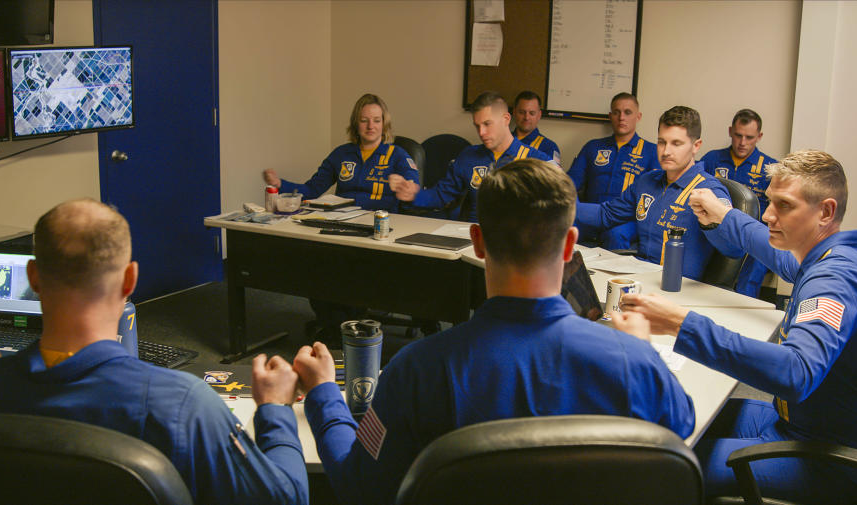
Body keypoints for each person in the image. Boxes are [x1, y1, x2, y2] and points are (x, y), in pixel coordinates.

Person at [295, 158, 695, 504]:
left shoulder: (414, 370)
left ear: (478, 241)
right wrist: (638, 351)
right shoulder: (633, 361)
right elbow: (679, 430)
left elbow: (361, 489)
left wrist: (323, 393)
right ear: (571, 244)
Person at [0, 199, 308, 505]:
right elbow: (284, 499)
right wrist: (275, 408)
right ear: (130, 281)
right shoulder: (184, 406)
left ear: (33, 277)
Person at [620, 150, 857, 503]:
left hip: (824, 459)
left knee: (666, 467)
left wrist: (682, 324)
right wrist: (726, 216)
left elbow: (796, 372)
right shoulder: (832, 255)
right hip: (792, 423)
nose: (767, 215)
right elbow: (770, 248)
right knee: (686, 416)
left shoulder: (836, 279)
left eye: (784, 205)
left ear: (825, 211)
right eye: (769, 202)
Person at [575, 105, 731, 280]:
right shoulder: (647, 181)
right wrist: (560, 206)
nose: (666, 151)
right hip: (641, 278)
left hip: (680, 291)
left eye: (676, 144)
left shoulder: (710, 191)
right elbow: (606, 214)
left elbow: (733, 249)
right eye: (661, 142)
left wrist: (712, 223)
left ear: (696, 146)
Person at [388, 91, 554, 222]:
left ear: (505, 119)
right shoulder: (469, 156)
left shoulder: (538, 161)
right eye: (477, 126)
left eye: (487, 124)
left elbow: (563, 205)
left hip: (515, 245)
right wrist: (414, 194)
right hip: (472, 240)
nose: (481, 132)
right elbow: (441, 195)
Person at [263, 93, 419, 212]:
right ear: (356, 124)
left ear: (384, 124)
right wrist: (280, 184)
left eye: (377, 120)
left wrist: (408, 187)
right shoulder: (341, 154)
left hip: (381, 224)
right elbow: (312, 189)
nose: (370, 126)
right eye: (364, 121)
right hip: (342, 222)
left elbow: (413, 186)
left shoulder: (398, 155)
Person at [700, 109, 778, 297]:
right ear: (730, 132)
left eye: (749, 137)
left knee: (760, 251)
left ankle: (744, 302)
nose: (743, 143)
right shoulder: (712, 159)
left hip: (751, 237)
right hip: (715, 229)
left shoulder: (770, 167)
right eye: (738, 135)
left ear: (759, 136)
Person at [567, 92, 660, 249]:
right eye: (616, 112)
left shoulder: (652, 152)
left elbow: (655, 195)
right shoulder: (593, 147)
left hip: (626, 218)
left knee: (616, 235)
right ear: (610, 116)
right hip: (592, 213)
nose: (621, 117)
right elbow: (570, 183)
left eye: (627, 112)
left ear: (638, 116)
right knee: (564, 227)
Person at [512, 90, 561, 164]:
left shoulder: (549, 147)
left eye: (532, 113)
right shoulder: (502, 141)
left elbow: (554, 175)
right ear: (514, 112)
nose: (526, 117)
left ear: (539, 115)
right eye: (522, 112)